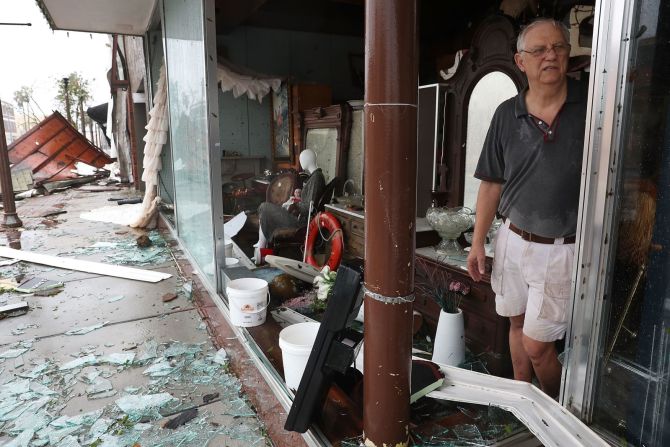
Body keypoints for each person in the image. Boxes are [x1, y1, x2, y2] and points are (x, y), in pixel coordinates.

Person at [466, 18, 586, 398]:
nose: (550, 55)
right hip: (513, 240)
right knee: (515, 326)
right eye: (539, 50)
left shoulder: (592, 106)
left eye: (559, 47)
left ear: (567, 54)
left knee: (538, 345)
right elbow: (491, 184)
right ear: (521, 61)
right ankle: (523, 403)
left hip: (561, 248)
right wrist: (477, 242)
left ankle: (555, 412)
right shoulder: (506, 114)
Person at [254, 149, 326, 262]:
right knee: (266, 210)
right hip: (299, 217)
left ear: (307, 160)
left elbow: (309, 208)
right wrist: (298, 197)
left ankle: (261, 248)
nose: (300, 161)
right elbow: (309, 201)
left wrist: (294, 205)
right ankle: (262, 249)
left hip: (300, 223)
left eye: (301, 159)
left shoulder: (317, 178)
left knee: (265, 207)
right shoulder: (315, 177)